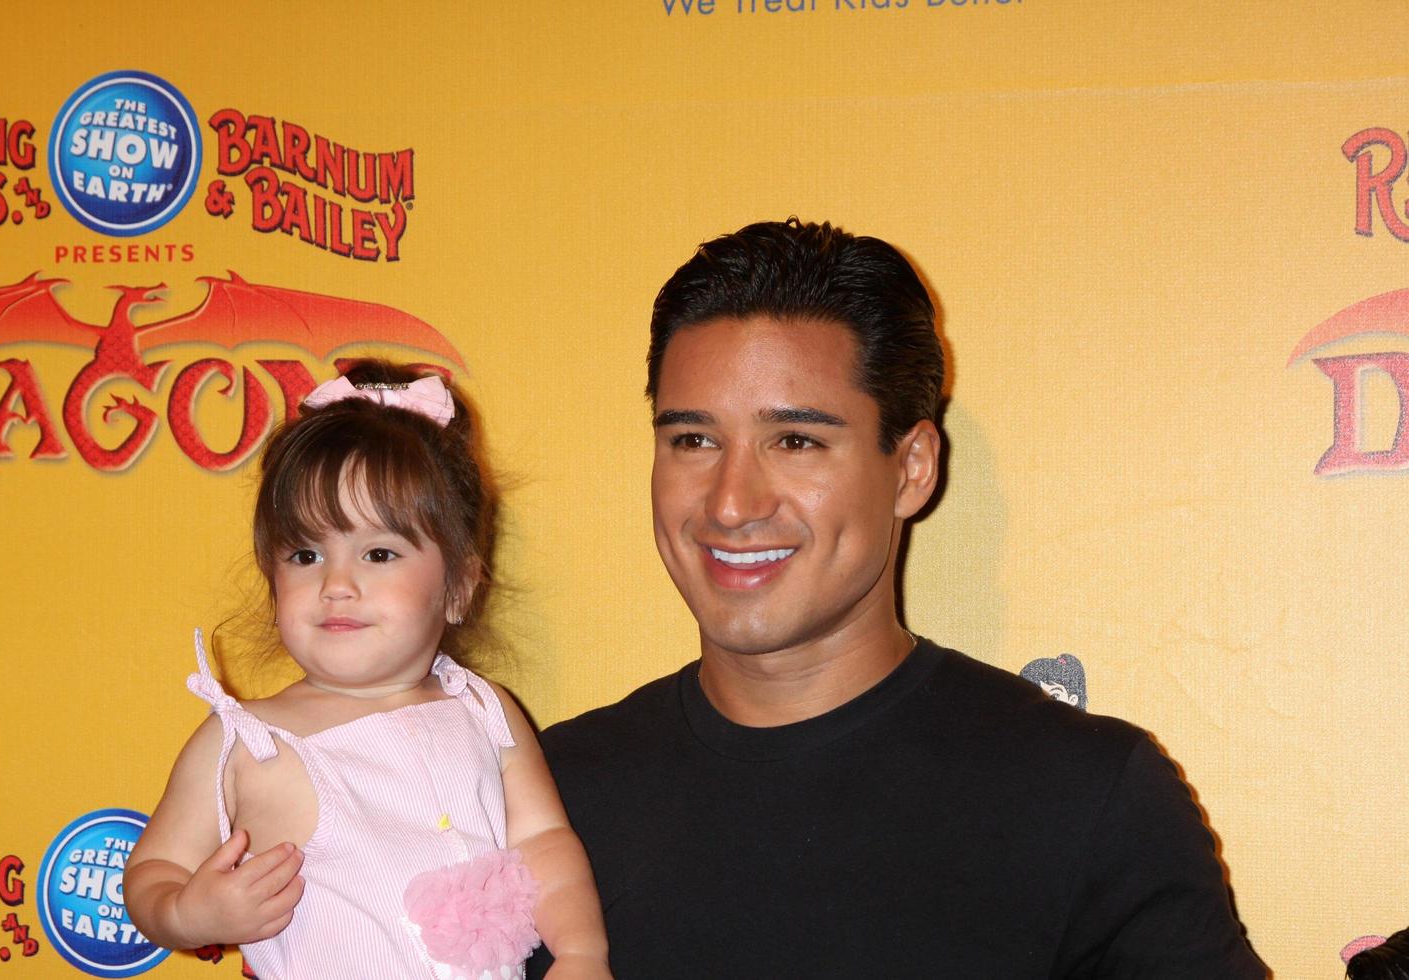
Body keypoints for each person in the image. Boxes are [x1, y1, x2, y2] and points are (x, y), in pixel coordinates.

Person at [528, 219, 1267, 978]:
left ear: (912, 467)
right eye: (693, 440)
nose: (729, 503)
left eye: (795, 442)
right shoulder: (542, 800)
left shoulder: (1085, 798)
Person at [125, 360, 610, 980]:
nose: (337, 583)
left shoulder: (484, 708)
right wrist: (188, 915)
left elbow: (543, 844)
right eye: (305, 553)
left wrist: (579, 952)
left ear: (459, 586)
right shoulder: (246, 740)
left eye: (379, 553)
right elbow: (152, 871)